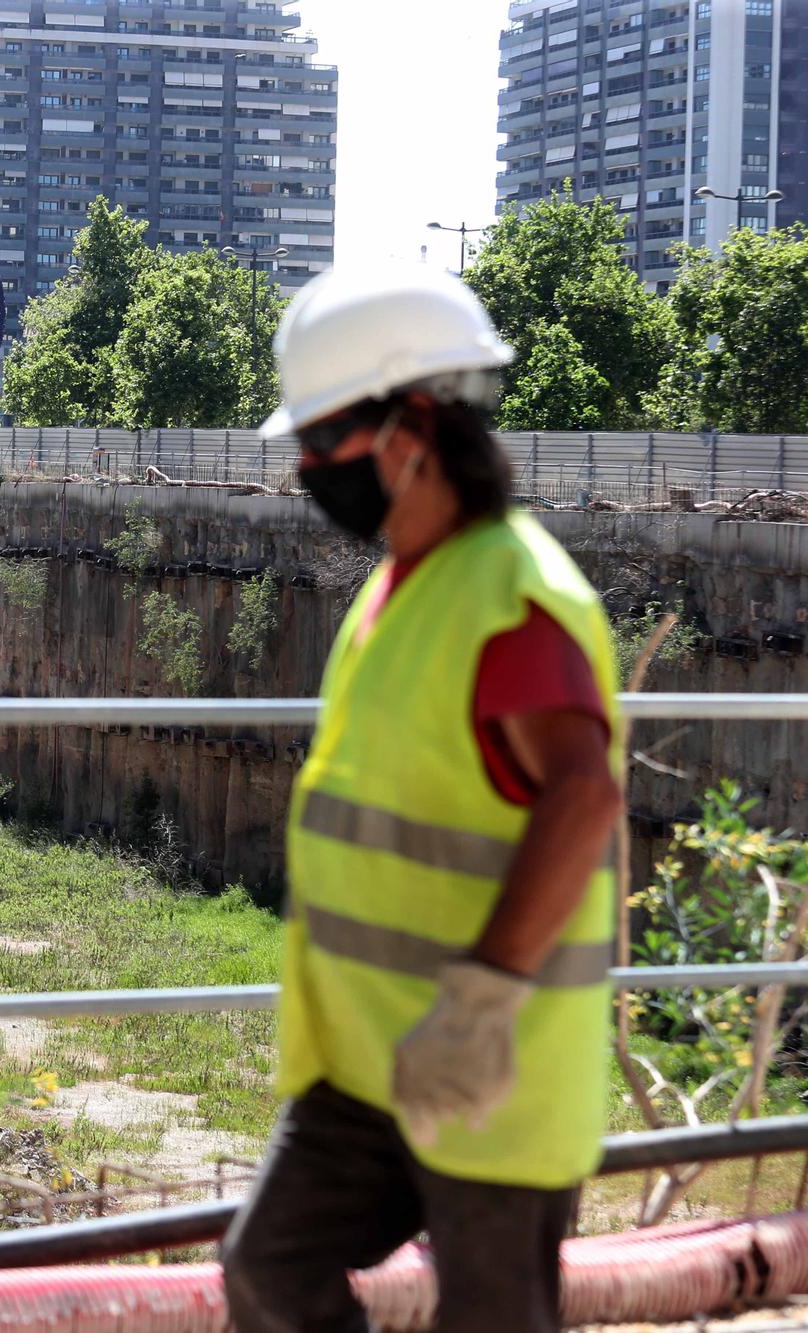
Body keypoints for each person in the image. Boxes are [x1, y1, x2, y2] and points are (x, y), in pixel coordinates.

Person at [220, 264, 627, 1333]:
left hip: (486, 1062)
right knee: (269, 1265)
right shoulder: (406, 582)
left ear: (409, 425)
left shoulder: (509, 598)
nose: (308, 468)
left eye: (320, 442)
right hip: (364, 1063)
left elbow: (581, 796)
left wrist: (481, 996)